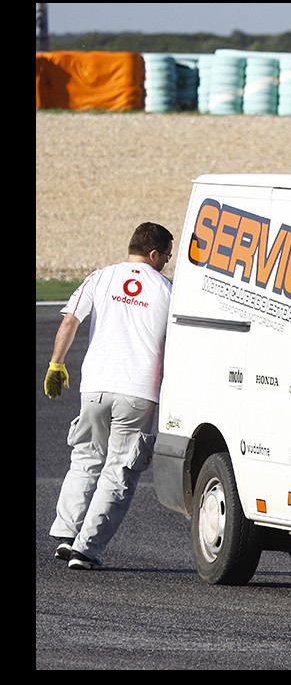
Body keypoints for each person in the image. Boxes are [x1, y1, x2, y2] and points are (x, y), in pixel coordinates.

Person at [44, 221, 174, 570]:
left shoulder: (99, 277)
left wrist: (56, 364)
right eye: (167, 256)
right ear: (153, 254)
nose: (167, 262)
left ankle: (67, 534)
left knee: (85, 459)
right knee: (120, 471)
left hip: (95, 388)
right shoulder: (166, 290)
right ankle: (85, 550)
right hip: (139, 391)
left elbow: (70, 321)